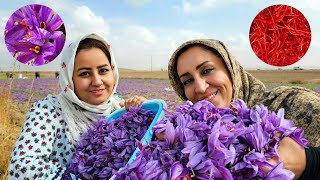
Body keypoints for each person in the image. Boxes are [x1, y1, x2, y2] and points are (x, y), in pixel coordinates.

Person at [168, 39, 320, 179]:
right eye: (187, 81)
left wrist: (308, 161)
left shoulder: (295, 103)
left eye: (207, 70)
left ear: (231, 70)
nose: (200, 88)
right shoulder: (192, 131)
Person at [8, 33, 146, 179]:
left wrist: (144, 113)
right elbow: (21, 169)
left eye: (103, 70)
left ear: (113, 70)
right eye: (85, 73)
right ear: (69, 77)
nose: (97, 81)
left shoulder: (119, 106)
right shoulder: (47, 111)